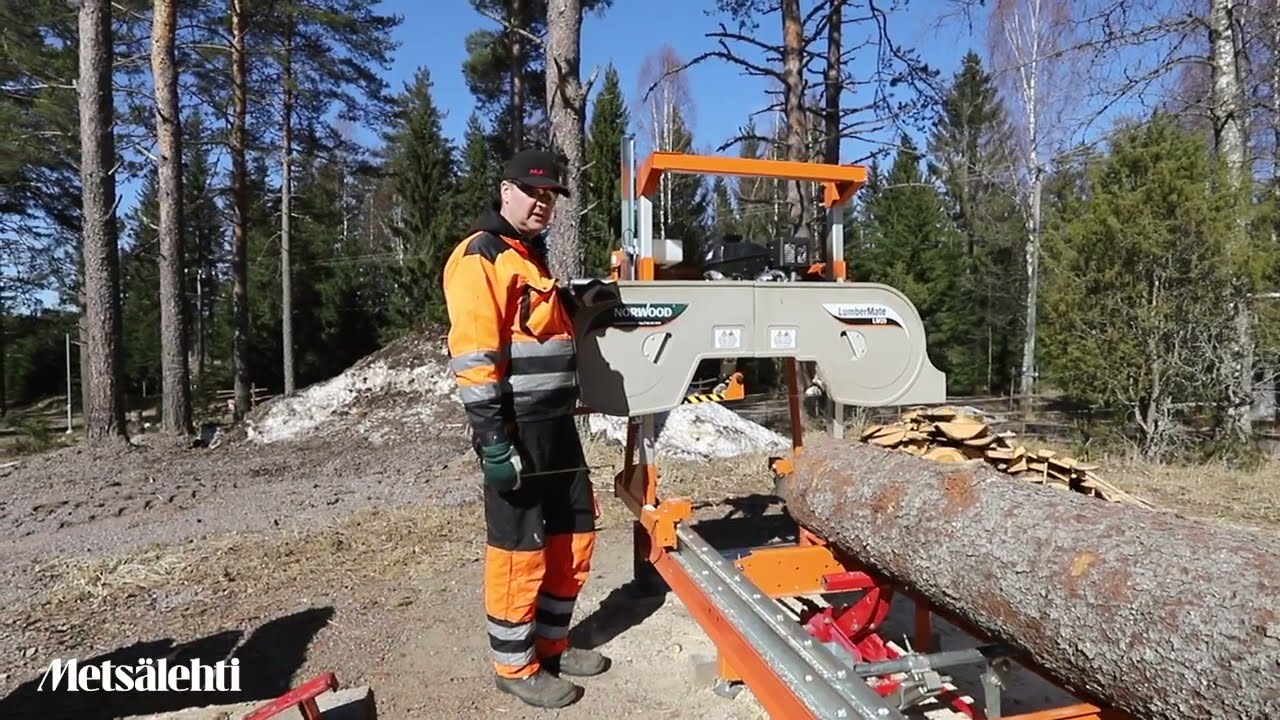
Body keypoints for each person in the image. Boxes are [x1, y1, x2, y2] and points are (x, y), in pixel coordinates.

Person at [441, 148, 608, 709]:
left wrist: (576, 299)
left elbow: (533, 323)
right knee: (520, 548)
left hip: (557, 424)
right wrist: (493, 441)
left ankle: (552, 644)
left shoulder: (527, 257)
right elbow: (476, 357)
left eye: (551, 196)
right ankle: (515, 666)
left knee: (573, 534)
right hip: (517, 429)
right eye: (533, 192)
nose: (542, 203)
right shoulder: (481, 256)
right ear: (506, 191)